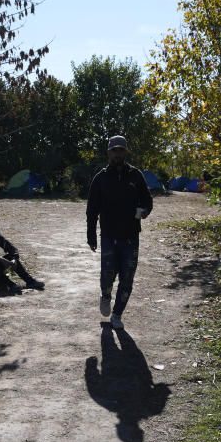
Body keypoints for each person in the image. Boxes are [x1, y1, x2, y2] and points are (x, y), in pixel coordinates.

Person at [86, 135, 153, 330]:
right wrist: (91, 236)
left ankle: (117, 314)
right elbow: (92, 210)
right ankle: (105, 296)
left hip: (131, 237)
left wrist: (146, 211)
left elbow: (147, 200)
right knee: (107, 276)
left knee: (127, 279)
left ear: (125, 152)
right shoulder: (100, 178)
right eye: (114, 150)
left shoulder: (136, 175)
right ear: (109, 152)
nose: (117, 153)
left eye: (121, 150)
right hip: (108, 236)